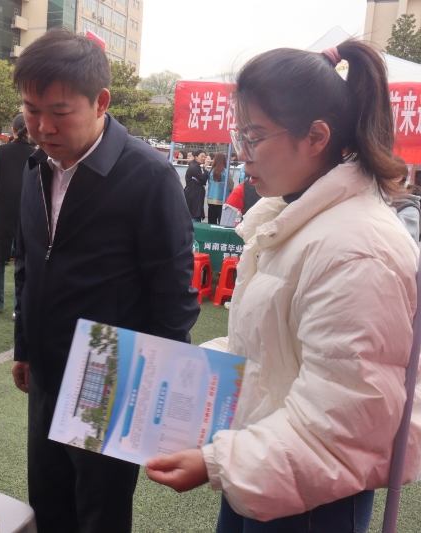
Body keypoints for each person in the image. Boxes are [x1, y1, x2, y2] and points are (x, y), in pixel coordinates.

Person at [145, 41, 421, 531]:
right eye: (240, 136)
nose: (241, 154)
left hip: (311, 499)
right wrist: (175, 371)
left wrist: (217, 462)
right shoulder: (297, 220)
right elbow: (268, 352)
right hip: (267, 466)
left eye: (254, 137)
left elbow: (345, 425)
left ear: (316, 137)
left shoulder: (357, 248)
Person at [12, 28, 199, 533]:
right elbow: (28, 263)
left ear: (101, 102)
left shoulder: (148, 176)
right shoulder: (35, 168)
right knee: (48, 501)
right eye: (31, 109)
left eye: (59, 111)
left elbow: (174, 294)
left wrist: (162, 393)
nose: (43, 126)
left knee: (99, 512)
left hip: (109, 374)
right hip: (48, 369)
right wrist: (24, 346)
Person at [0, 114, 36, 316]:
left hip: (1, 210)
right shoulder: (35, 154)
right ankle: (18, 308)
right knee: (23, 261)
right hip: (26, 211)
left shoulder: (0, 152)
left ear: (12, 130)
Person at [206, 152, 232, 224]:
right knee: (222, 222)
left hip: (211, 199)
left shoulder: (211, 172)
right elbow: (231, 185)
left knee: (211, 222)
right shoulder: (226, 172)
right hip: (223, 199)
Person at [184, 149, 209, 222]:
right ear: (196, 157)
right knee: (194, 215)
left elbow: (201, 180)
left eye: (205, 157)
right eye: (202, 156)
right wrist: (205, 169)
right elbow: (202, 179)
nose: (203, 158)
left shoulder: (196, 166)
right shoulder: (194, 167)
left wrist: (200, 181)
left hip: (194, 194)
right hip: (193, 195)